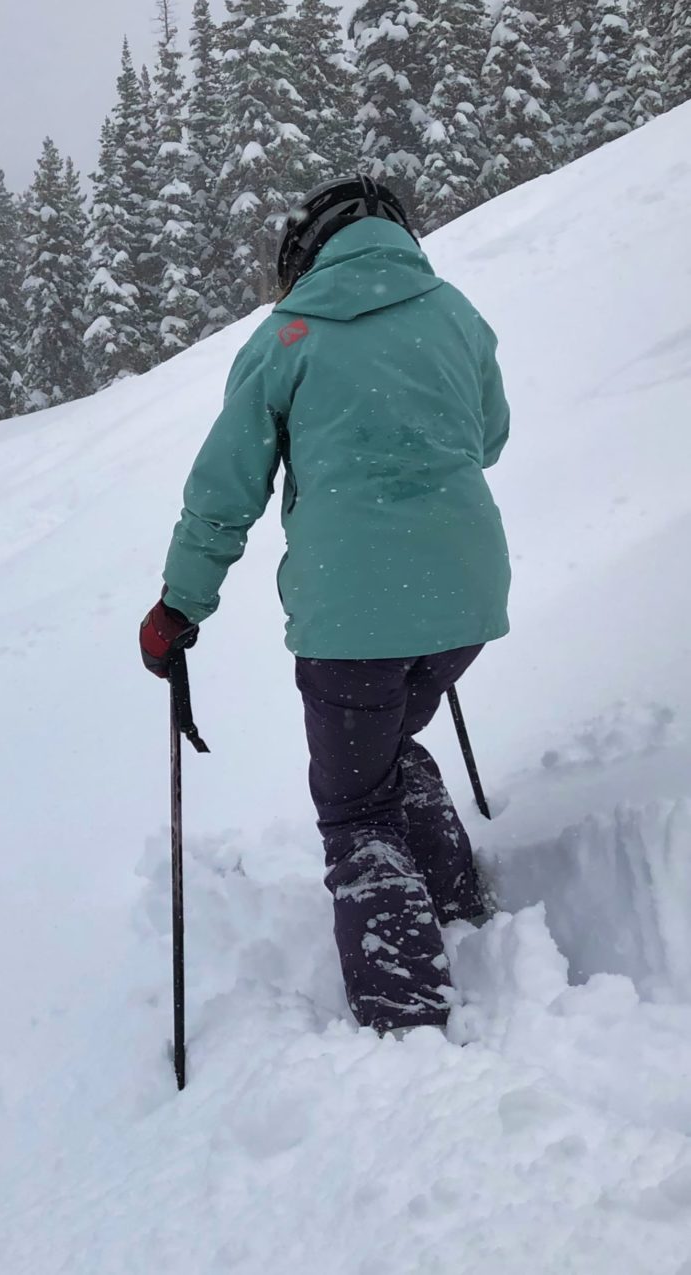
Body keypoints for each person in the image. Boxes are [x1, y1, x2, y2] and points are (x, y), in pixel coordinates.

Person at [139, 175, 510, 1036]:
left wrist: (177, 607)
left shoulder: (289, 336)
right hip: (464, 603)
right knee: (385, 749)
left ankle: (405, 1014)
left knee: (354, 808)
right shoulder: (455, 311)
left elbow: (223, 494)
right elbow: (488, 437)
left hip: (352, 624)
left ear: (304, 255)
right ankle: (458, 900)